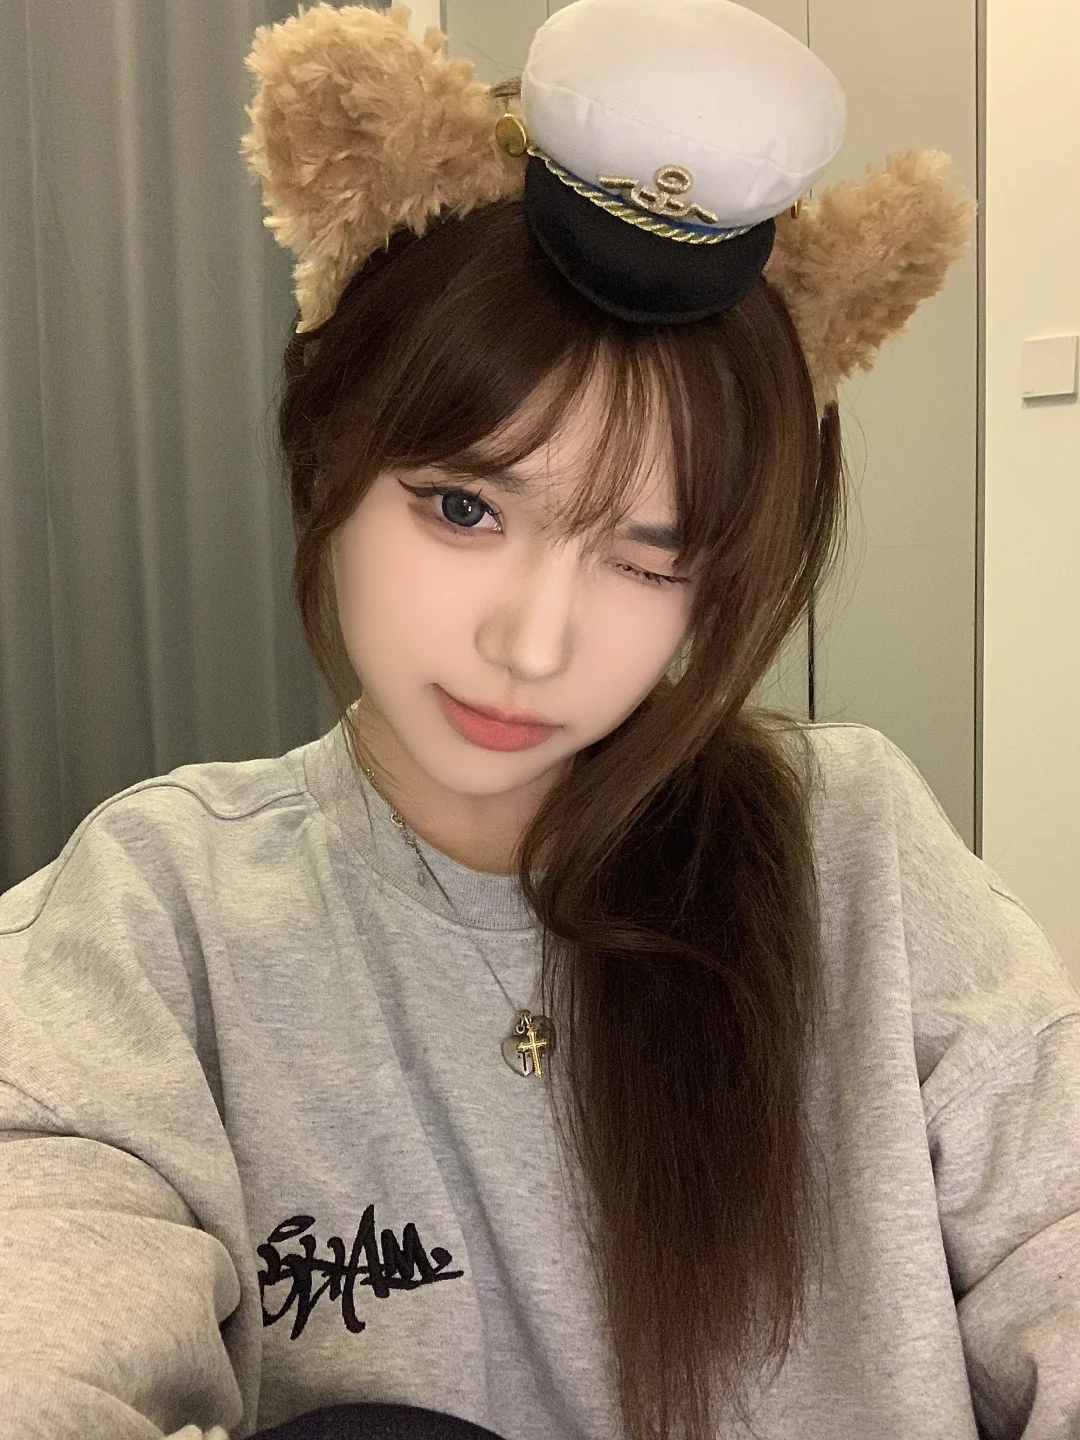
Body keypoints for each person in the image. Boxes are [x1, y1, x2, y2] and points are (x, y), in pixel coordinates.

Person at [0, 2, 1077, 1438]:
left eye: (647, 557)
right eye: (463, 507)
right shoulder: (151, 923)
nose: (533, 642)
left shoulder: (857, 853)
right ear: (329, 446)